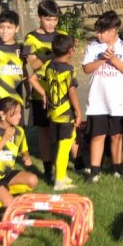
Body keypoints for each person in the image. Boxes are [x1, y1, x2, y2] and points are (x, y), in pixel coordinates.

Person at [82, 10, 123, 182]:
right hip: (98, 101)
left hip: (117, 102)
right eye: (97, 31)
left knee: (117, 136)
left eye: (101, 31)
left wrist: (114, 60)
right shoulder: (93, 46)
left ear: (113, 31)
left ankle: (118, 168)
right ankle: (95, 171)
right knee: (97, 136)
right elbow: (86, 68)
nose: (98, 34)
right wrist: (102, 60)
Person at [23, 0, 64, 184]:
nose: (52, 24)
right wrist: (52, 53)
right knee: (45, 132)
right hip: (40, 93)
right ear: (40, 18)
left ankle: (72, 164)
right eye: (48, 19)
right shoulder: (30, 38)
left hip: (61, 93)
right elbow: (32, 64)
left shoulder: (62, 35)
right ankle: (48, 170)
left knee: (65, 130)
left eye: (55, 20)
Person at [0, 97, 38, 208]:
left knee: (33, 180)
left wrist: (26, 157)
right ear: (3, 114)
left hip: (6, 174)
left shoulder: (19, 132)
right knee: (10, 203)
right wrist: (4, 139)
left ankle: (4, 190)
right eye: (16, 112)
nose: (20, 116)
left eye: (20, 112)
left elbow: (24, 151)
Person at [0, 10, 45, 114]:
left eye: (9, 27)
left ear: (16, 28)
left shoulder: (21, 49)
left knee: (17, 130)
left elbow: (23, 72)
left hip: (16, 101)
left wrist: (27, 92)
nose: (4, 31)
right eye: (1, 27)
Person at [43, 33, 83, 191]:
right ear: (70, 51)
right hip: (65, 113)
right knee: (65, 146)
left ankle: (61, 173)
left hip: (53, 113)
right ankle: (59, 180)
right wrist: (78, 112)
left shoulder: (50, 65)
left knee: (60, 143)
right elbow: (71, 92)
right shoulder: (68, 69)